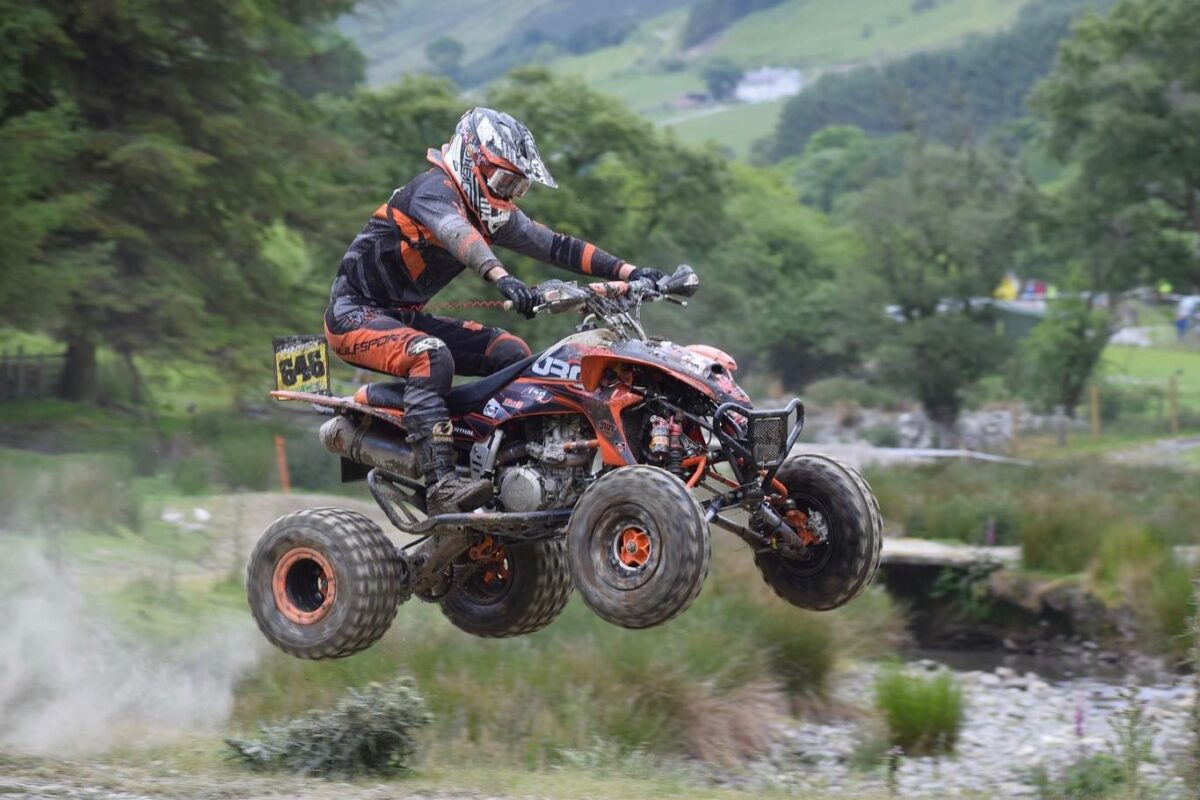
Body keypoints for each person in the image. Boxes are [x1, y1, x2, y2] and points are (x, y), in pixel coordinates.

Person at [324, 107, 662, 515]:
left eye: (518, 186)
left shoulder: (490, 211)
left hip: (402, 318)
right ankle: (442, 485)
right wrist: (503, 277)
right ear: (471, 161)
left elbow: (556, 246)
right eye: (504, 181)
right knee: (431, 356)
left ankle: (519, 472)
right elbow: (457, 235)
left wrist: (631, 272)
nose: (508, 194)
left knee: (511, 352)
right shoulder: (433, 191)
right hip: (353, 316)